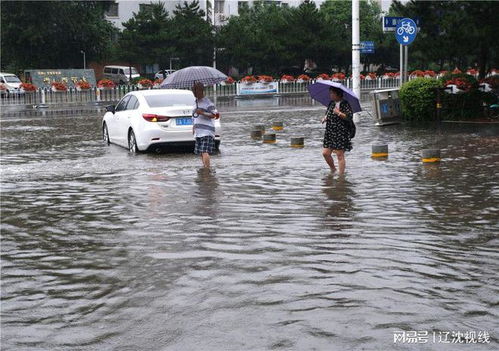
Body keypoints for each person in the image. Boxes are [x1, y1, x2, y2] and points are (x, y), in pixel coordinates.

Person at [321, 87, 354, 174]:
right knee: (325, 153)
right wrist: (325, 118)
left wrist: (338, 113)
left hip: (341, 132)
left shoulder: (345, 103)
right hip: (330, 132)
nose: (330, 95)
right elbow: (327, 113)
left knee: (339, 155)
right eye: (330, 93)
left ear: (338, 94)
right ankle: (333, 169)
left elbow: (349, 117)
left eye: (332, 93)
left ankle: (341, 176)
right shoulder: (331, 103)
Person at [191, 82, 220, 168]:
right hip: (198, 131)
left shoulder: (208, 102)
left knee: (204, 151)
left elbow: (215, 115)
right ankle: (204, 169)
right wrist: (193, 127)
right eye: (193, 91)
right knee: (200, 152)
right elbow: (194, 117)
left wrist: (202, 113)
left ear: (201, 90)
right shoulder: (195, 102)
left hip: (207, 131)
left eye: (195, 91)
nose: (194, 93)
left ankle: (207, 170)